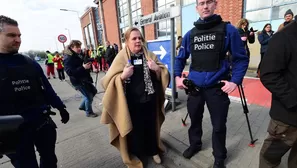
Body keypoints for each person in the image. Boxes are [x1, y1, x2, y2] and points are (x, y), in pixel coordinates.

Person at [174, 0, 249, 167]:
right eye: (201, 3)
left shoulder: (228, 30)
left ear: (215, 4)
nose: (205, 6)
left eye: (209, 2)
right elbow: (179, 59)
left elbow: (241, 59)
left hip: (217, 88)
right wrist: (177, 77)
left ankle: (219, 157)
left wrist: (235, 82)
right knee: (194, 121)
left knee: (218, 125)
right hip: (194, 88)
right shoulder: (190, 34)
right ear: (197, 8)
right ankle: (195, 145)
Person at [0, 15, 69, 168]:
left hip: (41, 123)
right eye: (11, 35)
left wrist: (60, 107)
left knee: (50, 160)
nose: (18, 39)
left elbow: (46, 87)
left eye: (19, 35)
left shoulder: (29, 62)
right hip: (13, 131)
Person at [100, 27, 170, 168]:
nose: (138, 41)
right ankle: (137, 154)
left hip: (149, 99)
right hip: (130, 103)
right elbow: (106, 81)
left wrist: (157, 69)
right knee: (135, 130)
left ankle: (153, 151)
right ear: (126, 41)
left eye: (140, 38)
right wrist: (122, 76)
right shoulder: (121, 57)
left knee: (150, 127)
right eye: (134, 38)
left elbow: (162, 74)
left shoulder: (149, 55)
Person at [259, 15, 297, 168]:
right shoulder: (285, 36)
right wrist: (294, 100)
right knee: (270, 158)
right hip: (288, 118)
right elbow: (268, 74)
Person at [63, 40, 98, 118]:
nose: (79, 48)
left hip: (84, 79)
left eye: (79, 46)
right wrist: (83, 67)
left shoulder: (76, 54)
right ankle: (89, 112)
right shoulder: (68, 57)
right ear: (72, 47)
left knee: (93, 92)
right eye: (77, 47)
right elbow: (70, 72)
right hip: (78, 81)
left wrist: (90, 60)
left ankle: (83, 106)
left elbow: (82, 61)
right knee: (89, 96)